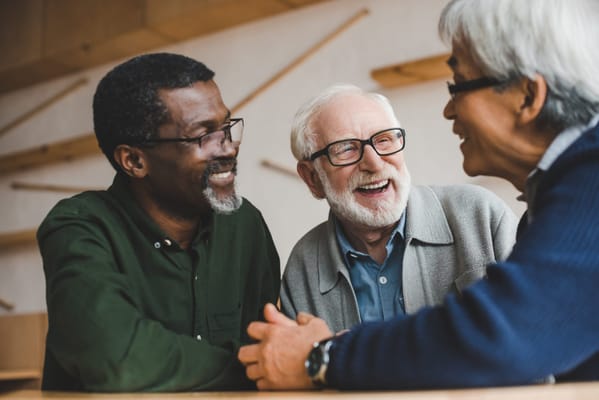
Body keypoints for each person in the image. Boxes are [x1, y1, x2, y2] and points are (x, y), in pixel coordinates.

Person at [238, 0, 599, 390]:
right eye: (346, 148)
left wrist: (322, 357)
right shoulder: (560, 193)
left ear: (527, 97)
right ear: (311, 178)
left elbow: (506, 335)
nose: (447, 110)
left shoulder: (590, 180)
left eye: (458, 86)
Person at [38, 53, 280, 392]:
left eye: (226, 127)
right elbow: (118, 360)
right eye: (203, 135)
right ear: (135, 160)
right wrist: (251, 367)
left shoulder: (245, 224)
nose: (227, 148)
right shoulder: (79, 226)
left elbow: (268, 344)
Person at [281, 83, 517, 334]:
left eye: (383, 140)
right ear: (312, 178)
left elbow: (539, 341)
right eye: (346, 149)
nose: (373, 162)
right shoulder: (303, 265)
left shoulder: (481, 216)